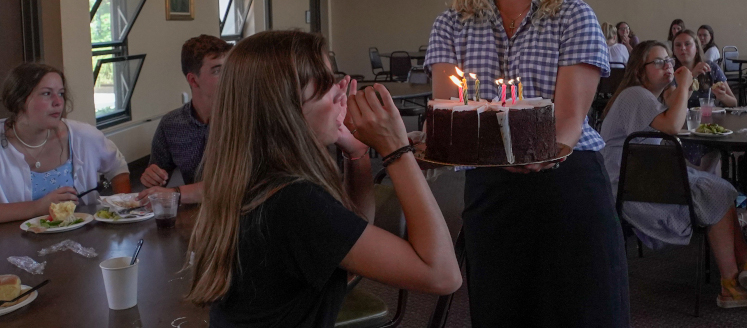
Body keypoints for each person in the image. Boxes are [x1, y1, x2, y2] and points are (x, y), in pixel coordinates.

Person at [423, 0, 629, 326]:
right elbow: (450, 110)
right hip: (492, 190)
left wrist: (542, 153)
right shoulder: (450, 25)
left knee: (583, 313)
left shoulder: (574, 16)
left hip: (567, 184)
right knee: (502, 310)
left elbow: (570, 120)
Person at [186, 31, 461, 327]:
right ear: (288, 110)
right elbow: (442, 275)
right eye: (328, 87)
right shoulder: (294, 202)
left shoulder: (258, 179)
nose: (342, 95)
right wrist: (396, 150)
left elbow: (348, 236)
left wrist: (357, 156)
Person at [601, 40, 747, 307]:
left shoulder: (645, 98)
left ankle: (743, 269)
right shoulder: (635, 95)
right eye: (658, 62)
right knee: (717, 191)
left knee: (721, 188)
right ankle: (730, 285)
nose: (667, 66)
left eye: (668, 60)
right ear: (639, 70)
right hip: (631, 188)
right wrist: (683, 85)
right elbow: (672, 126)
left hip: (645, 179)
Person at [0, 63, 130, 223]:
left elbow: (117, 167)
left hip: (84, 242)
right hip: (17, 244)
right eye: (47, 93)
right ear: (18, 100)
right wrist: (37, 207)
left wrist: (122, 212)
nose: (58, 102)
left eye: (60, 93)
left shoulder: (83, 136)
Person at [137, 35, 232, 205]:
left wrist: (177, 194)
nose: (228, 77)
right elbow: (157, 178)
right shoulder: (172, 124)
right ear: (193, 80)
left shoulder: (246, 119)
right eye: (217, 71)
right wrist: (153, 177)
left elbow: (236, 184)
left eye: (229, 69)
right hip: (195, 218)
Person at [672, 29, 736, 109]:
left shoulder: (710, 67)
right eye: (678, 45)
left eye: (687, 44)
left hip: (710, 119)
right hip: (683, 120)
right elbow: (673, 105)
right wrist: (692, 76)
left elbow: (734, 103)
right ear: (673, 51)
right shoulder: (670, 72)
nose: (683, 48)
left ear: (697, 48)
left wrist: (723, 96)